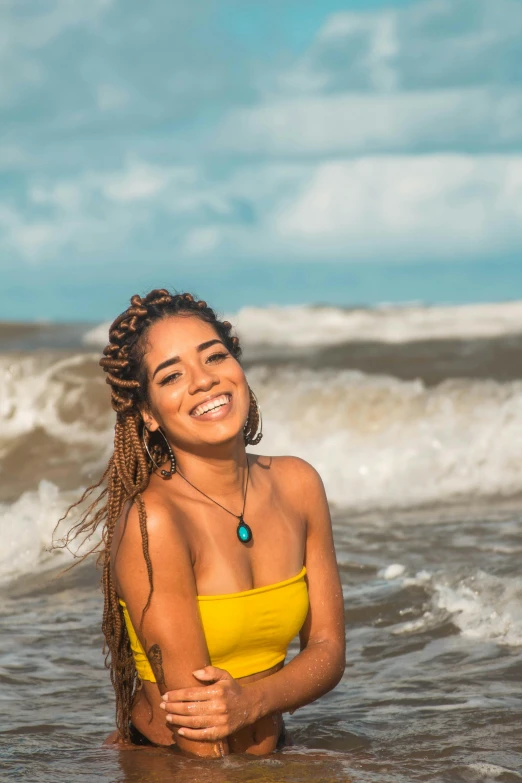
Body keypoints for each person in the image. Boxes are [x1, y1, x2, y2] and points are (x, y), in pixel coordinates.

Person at [63, 288, 345, 758]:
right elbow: (198, 733)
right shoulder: (157, 521)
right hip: (177, 764)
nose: (203, 382)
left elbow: (328, 650)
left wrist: (253, 702)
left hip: (264, 752)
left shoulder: (299, 485)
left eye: (214, 357)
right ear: (149, 414)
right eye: (172, 375)